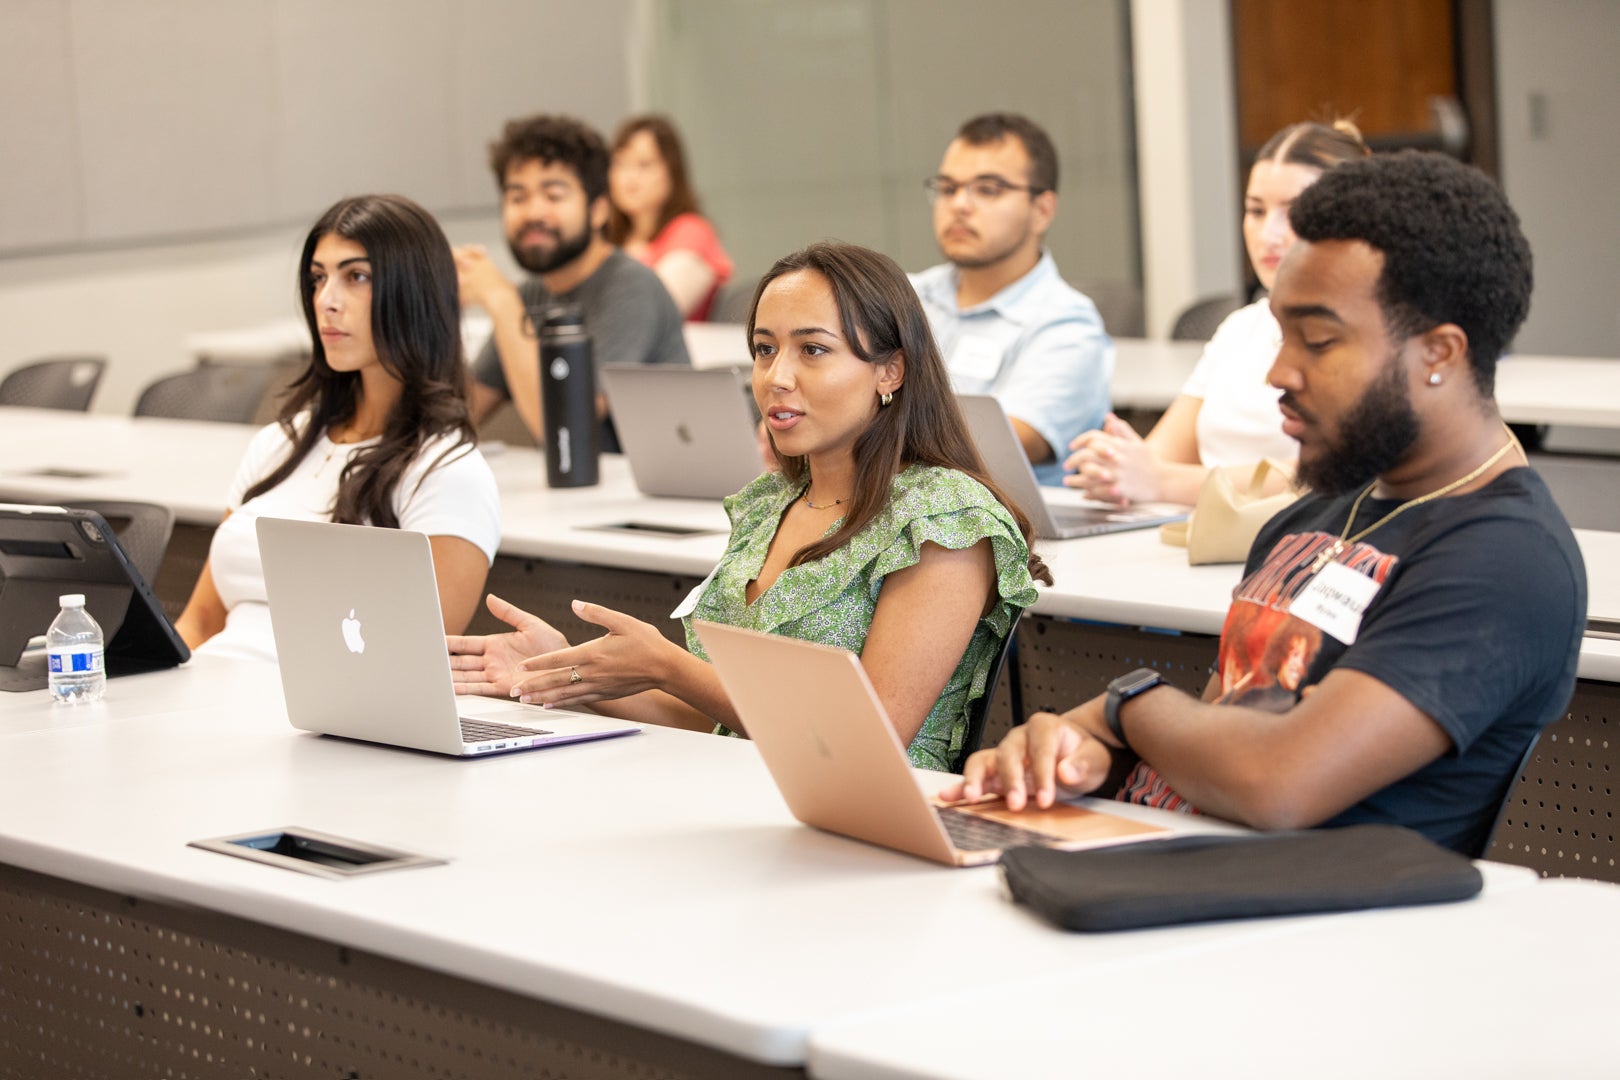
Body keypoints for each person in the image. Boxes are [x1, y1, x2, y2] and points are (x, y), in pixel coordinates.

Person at [948, 152, 1587, 856]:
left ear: (1439, 352)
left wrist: (1120, 709)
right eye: (1281, 334)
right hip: (1164, 859)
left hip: (1300, 929)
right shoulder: (1309, 516)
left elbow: (1277, 779)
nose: (1279, 372)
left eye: (1318, 340)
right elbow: (1232, 735)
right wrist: (1091, 755)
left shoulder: (1503, 556)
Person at [449, 241, 1049, 771]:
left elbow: (871, 738)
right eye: (764, 350)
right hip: (736, 800)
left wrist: (670, 665)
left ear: (890, 370)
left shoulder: (945, 519)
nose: (776, 377)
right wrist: (563, 669)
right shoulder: (770, 504)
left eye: (812, 350)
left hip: (871, 835)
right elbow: (716, 720)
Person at [174, 194, 502, 661]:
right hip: (201, 695)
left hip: (306, 723)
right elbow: (199, 623)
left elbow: (407, 669)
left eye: (357, 277)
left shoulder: (448, 473)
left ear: (413, 294)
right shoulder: (277, 444)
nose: (326, 300)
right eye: (318, 278)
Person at [1066, 120, 1371, 506]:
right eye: (1255, 211)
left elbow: (1331, 475)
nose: (1268, 235)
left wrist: (1163, 482)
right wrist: (1116, 464)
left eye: (1293, 212)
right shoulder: (1242, 327)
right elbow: (1161, 455)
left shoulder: (1371, 335)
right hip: (1199, 538)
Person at [455, 114, 689, 444]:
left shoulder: (632, 288)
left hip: (649, 492)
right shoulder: (532, 294)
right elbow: (459, 416)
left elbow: (563, 430)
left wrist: (499, 299)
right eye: (518, 197)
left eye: (553, 195)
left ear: (598, 211)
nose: (534, 212)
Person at [910, 112, 1113, 485]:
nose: (959, 205)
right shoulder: (904, 297)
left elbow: (994, 451)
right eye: (948, 188)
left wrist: (837, 437)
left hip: (1009, 536)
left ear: (1042, 210)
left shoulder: (1068, 325)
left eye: (988, 189)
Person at [607, 115, 735, 321]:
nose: (629, 176)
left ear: (672, 171)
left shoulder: (691, 232)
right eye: (620, 163)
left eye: (644, 164)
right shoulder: (610, 238)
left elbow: (654, 313)